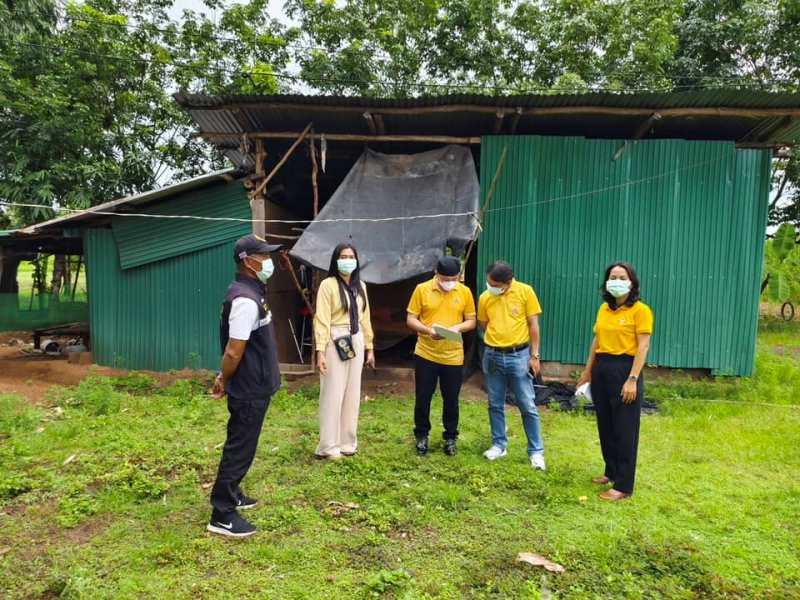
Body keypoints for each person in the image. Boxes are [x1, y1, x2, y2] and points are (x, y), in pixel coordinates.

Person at [208, 234, 282, 538]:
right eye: (263, 256)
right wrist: (223, 378)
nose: (269, 261)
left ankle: (233, 492)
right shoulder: (245, 300)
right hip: (249, 387)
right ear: (248, 261)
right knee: (239, 448)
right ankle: (222, 513)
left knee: (243, 444)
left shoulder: (252, 292)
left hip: (256, 383)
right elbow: (233, 351)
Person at [577, 262, 653, 501]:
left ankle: (623, 485)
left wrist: (632, 379)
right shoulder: (604, 309)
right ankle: (611, 471)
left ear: (632, 283)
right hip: (602, 368)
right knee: (606, 424)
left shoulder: (641, 311)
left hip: (625, 369)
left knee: (625, 428)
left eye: (622, 277)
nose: (616, 281)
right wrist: (588, 371)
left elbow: (643, 346)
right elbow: (596, 340)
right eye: (612, 277)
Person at [477, 261, 546, 470]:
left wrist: (534, 355)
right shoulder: (485, 297)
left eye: (495, 285)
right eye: (489, 283)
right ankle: (499, 445)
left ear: (508, 283)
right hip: (492, 355)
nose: (490, 287)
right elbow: (484, 323)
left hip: (519, 356)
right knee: (494, 402)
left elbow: (533, 325)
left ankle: (536, 452)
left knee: (527, 405)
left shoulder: (525, 292)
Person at [406, 256, 476, 456]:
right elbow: (411, 319)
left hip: (453, 355)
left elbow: (471, 320)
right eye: (445, 279)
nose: (449, 282)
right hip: (426, 353)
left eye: (453, 278)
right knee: (423, 396)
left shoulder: (464, 292)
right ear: (436, 274)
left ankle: (450, 437)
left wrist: (457, 328)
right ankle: (421, 435)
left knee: (451, 398)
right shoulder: (422, 289)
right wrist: (428, 330)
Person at [314, 243, 375, 459]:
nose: (347, 260)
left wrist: (369, 346)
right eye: (343, 256)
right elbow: (321, 319)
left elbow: (365, 318)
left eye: (351, 257)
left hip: (355, 338)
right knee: (333, 393)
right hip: (335, 338)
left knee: (352, 393)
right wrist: (320, 351)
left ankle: (348, 443)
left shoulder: (361, 286)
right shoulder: (328, 285)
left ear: (356, 261)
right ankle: (328, 446)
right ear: (336, 260)